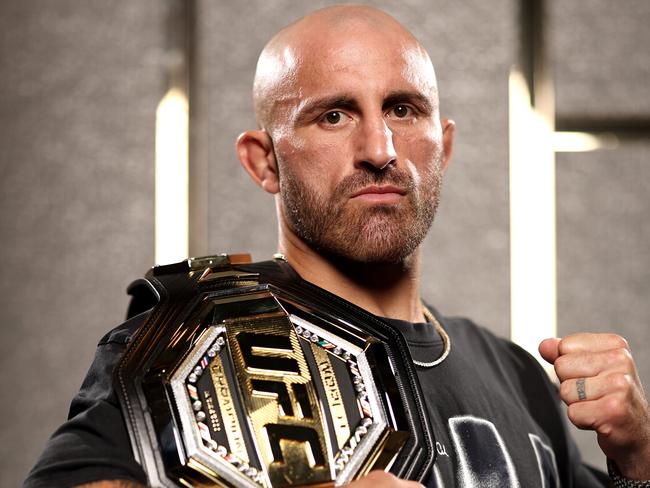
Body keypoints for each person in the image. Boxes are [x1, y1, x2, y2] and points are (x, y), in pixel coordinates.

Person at [25, 5, 650, 488]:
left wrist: (637, 460)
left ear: (445, 146)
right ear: (264, 162)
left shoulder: (518, 376)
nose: (380, 149)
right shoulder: (192, 340)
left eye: (404, 109)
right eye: (333, 116)